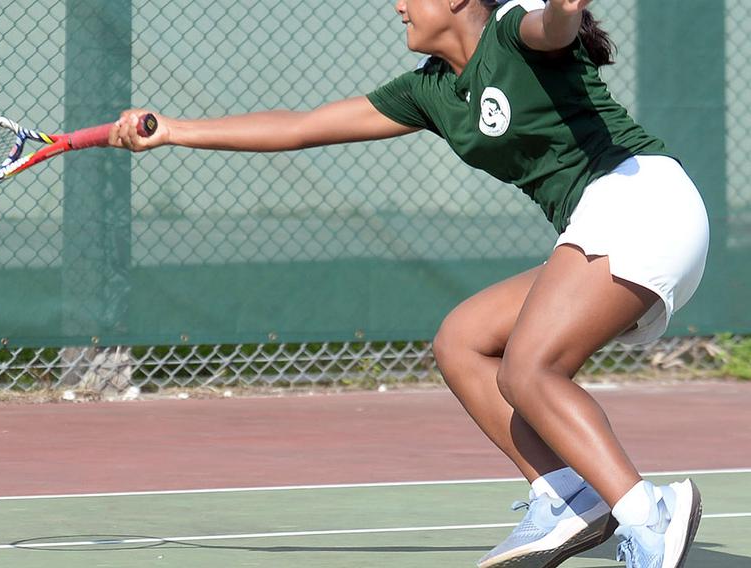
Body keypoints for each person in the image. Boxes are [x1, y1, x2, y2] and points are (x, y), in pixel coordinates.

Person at [109, 0, 709, 566]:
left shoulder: (514, 30)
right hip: (604, 220)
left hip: (641, 199)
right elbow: (300, 127)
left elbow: (554, 25)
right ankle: (565, 494)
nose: (396, 5)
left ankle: (647, 512)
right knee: (464, 341)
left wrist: (565, 6)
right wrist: (174, 130)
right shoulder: (430, 90)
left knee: (529, 370)